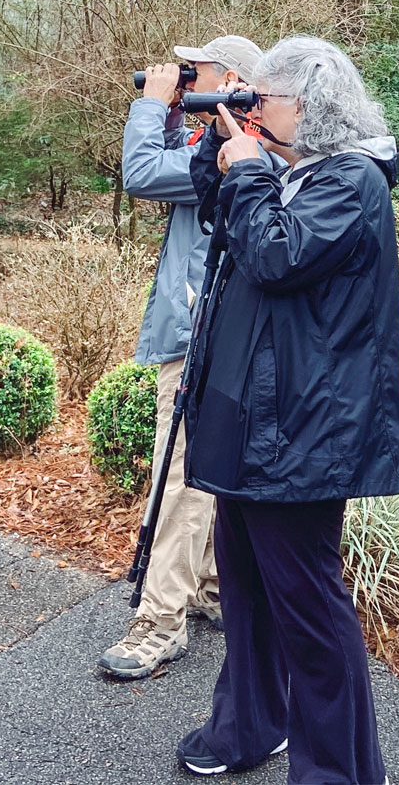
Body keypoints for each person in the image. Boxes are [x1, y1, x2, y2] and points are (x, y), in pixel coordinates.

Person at [175, 35, 399, 784]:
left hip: (303, 431)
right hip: (255, 418)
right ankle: (249, 726)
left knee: (308, 609)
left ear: (307, 107)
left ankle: (339, 772)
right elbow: (231, 236)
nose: (249, 105)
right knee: (247, 589)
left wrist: (247, 173)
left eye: (261, 96)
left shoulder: (351, 181)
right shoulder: (292, 171)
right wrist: (224, 157)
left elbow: (277, 257)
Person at [99, 35, 265, 680]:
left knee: (181, 477)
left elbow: (142, 174)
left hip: (204, 339)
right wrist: (172, 113)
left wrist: (150, 106)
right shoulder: (238, 145)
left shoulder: (235, 149)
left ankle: (158, 622)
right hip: (226, 334)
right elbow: (174, 167)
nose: (184, 78)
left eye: (197, 72)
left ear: (233, 82)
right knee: (219, 466)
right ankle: (213, 587)